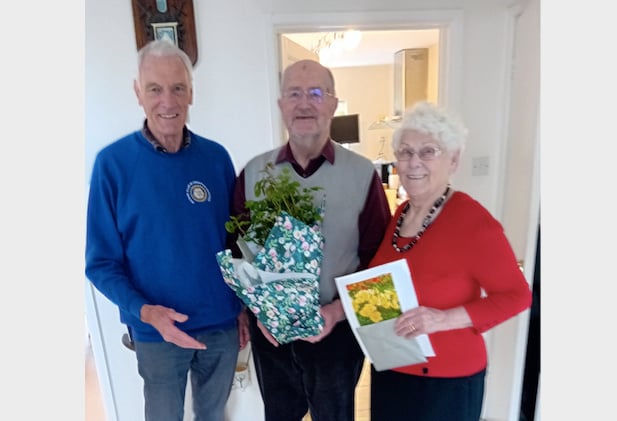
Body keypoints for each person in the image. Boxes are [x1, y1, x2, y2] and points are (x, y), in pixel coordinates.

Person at [85, 39, 249, 421]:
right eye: (155, 89)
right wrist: (145, 312)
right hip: (156, 336)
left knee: (214, 415)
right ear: (138, 93)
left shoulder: (216, 158)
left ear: (191, 92)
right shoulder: (112, 165)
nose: (168, 102)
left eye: (178, 88)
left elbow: (234, 242)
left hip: (220, 328)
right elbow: (100, 264)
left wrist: (241, 305)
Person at [231, 59, 392, 421]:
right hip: (272, 333)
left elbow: (379, 263)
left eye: (316, 93)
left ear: (333, 104)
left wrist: (335, 312)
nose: (305, 103)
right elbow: (237, 251)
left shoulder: (363, 175)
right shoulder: (254, 173)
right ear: (281, 105)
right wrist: (257, 311)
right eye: (295, 94)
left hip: (336, 335)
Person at [367, 101, 532, 421]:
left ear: (453, 159)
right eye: (405, 151)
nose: (414, 162)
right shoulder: (401, 214)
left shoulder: (473, 222)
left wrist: (442, 319)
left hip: (447, 382)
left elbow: (517, 296)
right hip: (392, 367)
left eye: (428, 151)